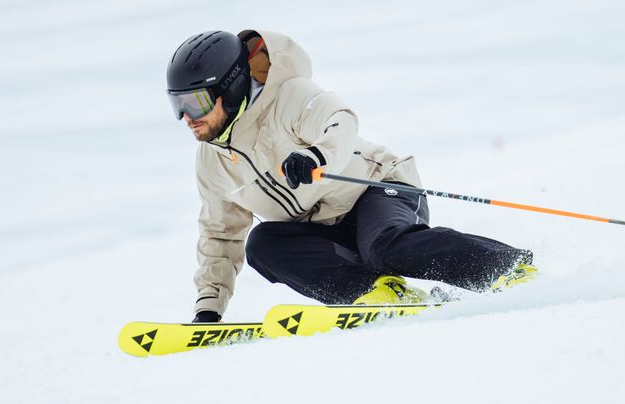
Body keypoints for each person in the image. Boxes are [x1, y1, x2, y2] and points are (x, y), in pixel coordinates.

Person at [166, 30, 537, 323]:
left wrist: (315, 155)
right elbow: (220, 234)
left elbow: (340, 120)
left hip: (379, 188)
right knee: (262, 243)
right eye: (177, 104)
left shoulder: (288, 96)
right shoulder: (211, 161)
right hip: (324, 227)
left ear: (229, 87)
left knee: (385, 246)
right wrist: (209, 309)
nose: (187, 117)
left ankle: (506, 269)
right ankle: (377, 293)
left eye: (196, 102)